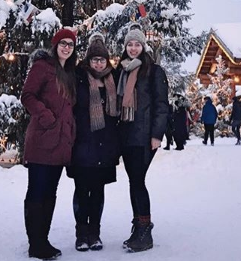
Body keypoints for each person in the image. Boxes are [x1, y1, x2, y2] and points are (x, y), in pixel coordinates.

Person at [21, 28, 77, 260]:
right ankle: (35, 243)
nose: (66, 47)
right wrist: (46, 117)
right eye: (63, 43)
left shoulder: (69, 73)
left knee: (50, 194)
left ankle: (43, 239)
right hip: (42, 140)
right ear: (55, 45)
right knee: (37, 192)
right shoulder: (42, 66)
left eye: (70, 44)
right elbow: (27, 96)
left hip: (61, 143)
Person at [117, 24, 169, 253]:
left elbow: (161, 105)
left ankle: (145, 231)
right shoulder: (122, 69)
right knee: (133, 181)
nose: (133, 48)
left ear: (143, 46)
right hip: (127, 135)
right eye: (130, 44)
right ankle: (138, 226)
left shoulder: (153, 71)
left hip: (145, 136)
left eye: (137, 44)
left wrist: (157, 135)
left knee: (138, 181)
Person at [68, 33, 119, 252]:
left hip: (105, 145)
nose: (98, 63)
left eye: (102, 60)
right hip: (82, 143)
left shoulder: (113, 79)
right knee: (81, 190)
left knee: (98, 191)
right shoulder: (78, 77)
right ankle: (81, 234)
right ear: (88, 60)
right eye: (94, 59)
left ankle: (94, 233)